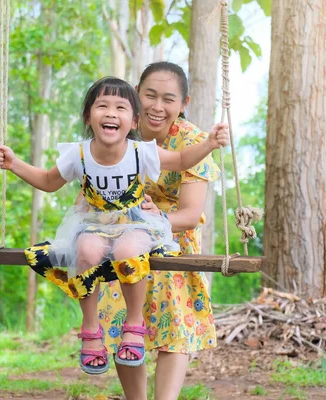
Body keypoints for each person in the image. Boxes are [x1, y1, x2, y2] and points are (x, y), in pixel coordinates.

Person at [0, 76, 229, 375]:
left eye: (121, 107)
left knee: (128, 249)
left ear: (133, 122)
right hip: (94, 224)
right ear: (88, 117)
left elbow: (182, 159)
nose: (111, 113)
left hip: (135, 224)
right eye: (102, 105)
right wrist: (14, 164)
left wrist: (208, 144)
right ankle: (90, 330)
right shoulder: (78, 155)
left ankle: (133, 325)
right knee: (87, 250)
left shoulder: (141, 152)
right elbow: (49, 182)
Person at [95, 62, 221, 400]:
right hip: (123, 237)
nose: (157, 106)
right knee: (121, 310)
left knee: (172, 315)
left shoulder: (192, 141)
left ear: (184, 104)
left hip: (173, 238)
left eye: (168, 99)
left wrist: (154, 222)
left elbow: (190, 215)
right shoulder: (120, 130)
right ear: (137, 93)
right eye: (149, 95)